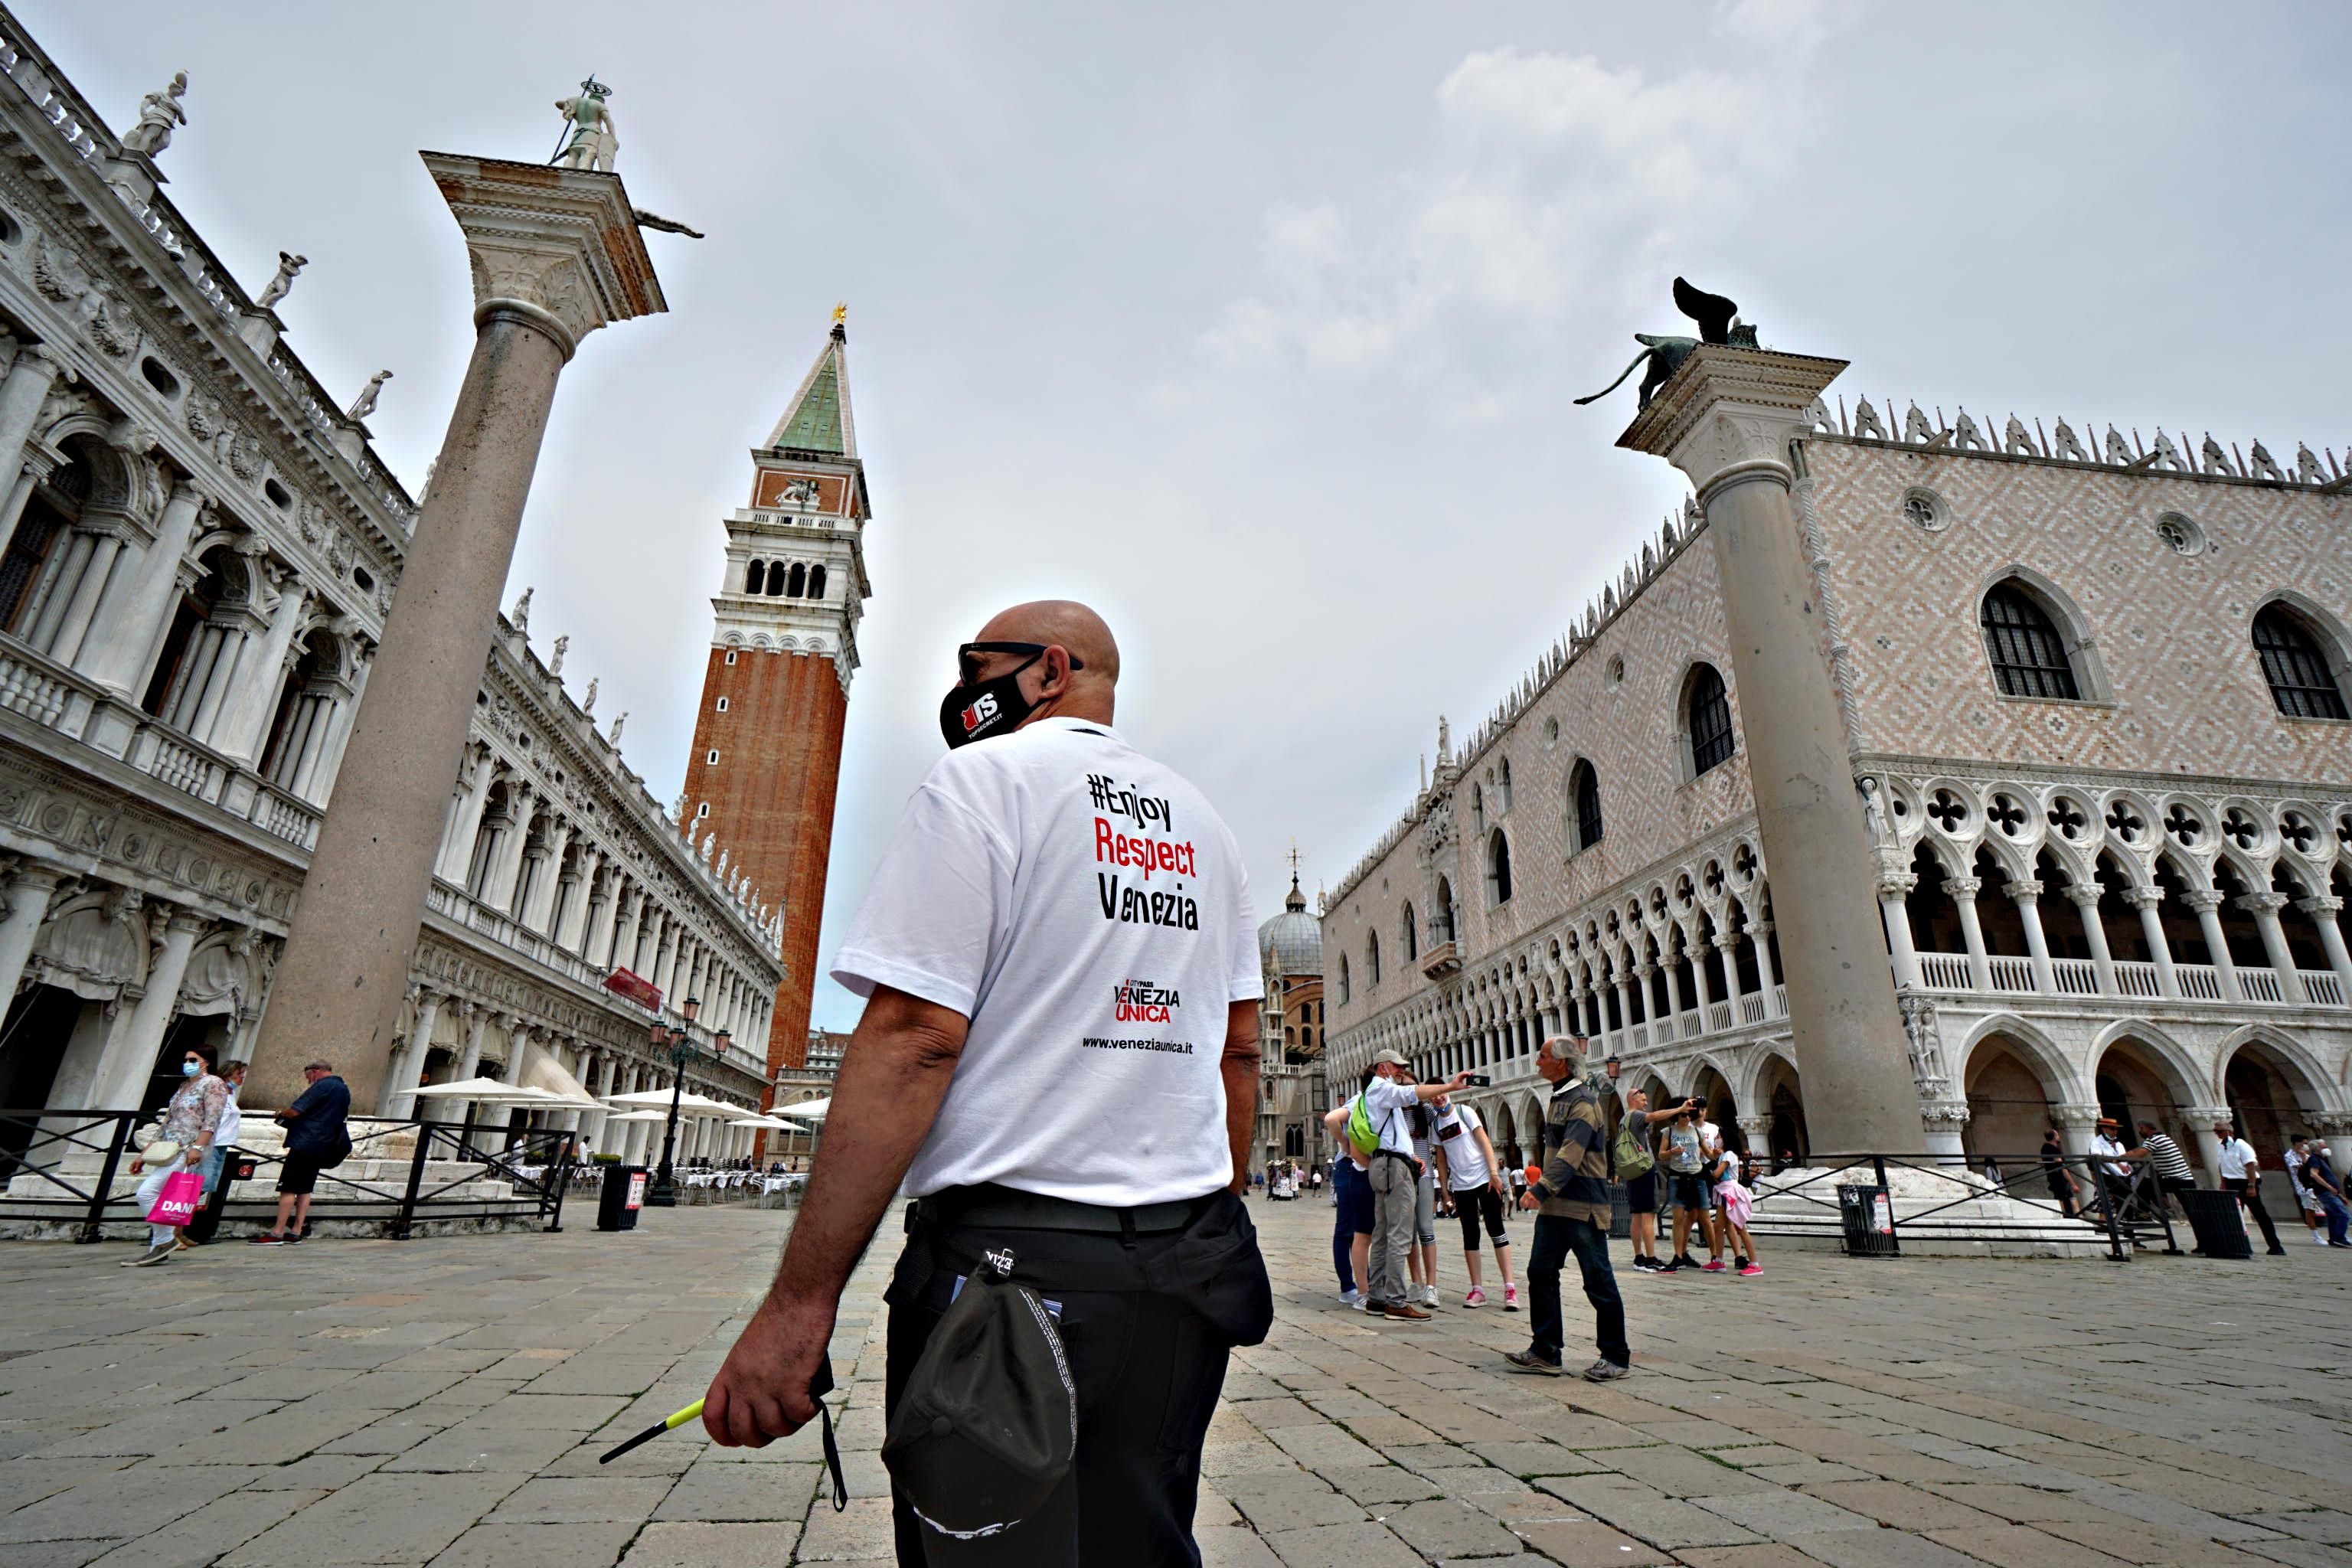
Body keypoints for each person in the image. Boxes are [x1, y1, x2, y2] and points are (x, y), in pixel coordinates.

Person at [698, 602, 1276, 1564]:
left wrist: (799, 1303)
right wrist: (1206, 1214)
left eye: (979, 667)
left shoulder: (986, 779)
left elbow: (917, 1033)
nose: (965, 691)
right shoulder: (1204, 825)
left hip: (1006, 1278)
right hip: (1177, 1279)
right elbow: (1241, 1051)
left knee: (983, 1548)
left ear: (1049, 670)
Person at [1504, 1037, 1628, 1381]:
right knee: (1540, 1272)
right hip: (1556, 1207)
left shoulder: (1584, 1102)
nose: (1537, 1061)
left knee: (1597, 1280)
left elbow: (1571, 1154)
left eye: (1543, 1056)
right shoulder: (1559, 1097)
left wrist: (1539, 1189)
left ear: (1561, 1062)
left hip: (1583, 1207)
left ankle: (1616, 1355)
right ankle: (1546, 1350)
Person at [1346, 1051, 1473, 1321]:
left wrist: (1410, 1155)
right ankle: (1396, 1301)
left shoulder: (1375, 1091)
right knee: (1400, 1233)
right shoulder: (1383, 1087)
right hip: (1394, 1169)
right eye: (1396, 1066)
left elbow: (1393, 1131)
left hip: (1384, 1164)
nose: (1401, 1071)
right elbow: (1413, 1093)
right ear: (1383, 1068)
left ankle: (1377, 1298)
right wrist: (1451, 1086)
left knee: (1381, 1234)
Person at [122, 1044, 227, 1267]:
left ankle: (165, 1240)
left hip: (187, 1147)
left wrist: (197, 1148)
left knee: (146, 1193)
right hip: (168, 1148)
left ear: (206, 1062)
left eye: (193, 1060)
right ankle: (159, 1246)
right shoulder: (184, 1086)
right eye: (186, 1060)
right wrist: (144, 1154)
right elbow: (167, 1122)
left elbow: (212, 1119)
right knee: (159, 1195)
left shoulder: (214, 1084)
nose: (188, 1064)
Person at [1431, 1092, 1517, 1311]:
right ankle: (1478, 1289)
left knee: (1496, 1229)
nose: (1438, 1099)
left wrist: (1494, 1173)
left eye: (1441, 1093)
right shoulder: (1435, 1124)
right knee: (1470, 1235)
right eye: (1433, 1096)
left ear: (1447, 1092)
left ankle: (1510, 1288)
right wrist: (1445, 1190)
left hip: (1484, 1179)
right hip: (1460, 1185)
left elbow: (1485, 1142)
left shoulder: (1464, 1112)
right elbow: (1441, 1159)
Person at [250, 1059, 349, 1246]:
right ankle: (296, 1231)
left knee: (288, 1187)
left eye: (308, 1077)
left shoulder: (322, 1086)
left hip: (305, 1142)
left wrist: (280, 1113)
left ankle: (277, 1232)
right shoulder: (343, 1089)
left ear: (315, 1072)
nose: (308, 1081)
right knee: (305, 1189)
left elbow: (295, 1111)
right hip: (323, 1143)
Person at [180, 1060, 246, 1250]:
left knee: (204, 1188)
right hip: (210, 1144)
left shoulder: (231, 1094)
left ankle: (183, 1229)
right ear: (227, 1073)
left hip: (222, 1145)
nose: (241, 1077)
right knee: (196, 1187)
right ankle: (174, 1229)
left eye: (242, 1074)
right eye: (238, 1073)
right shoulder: (217, 1091)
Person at [2213, 1120, 2284, 1256]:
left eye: (2220, 1131)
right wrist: (2223, 1182)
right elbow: (2221, 1165)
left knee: (2260, 1214)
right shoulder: (2220, 1146)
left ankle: (2275, 1246)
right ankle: (2236, 1244)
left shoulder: (2241, 1145)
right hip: (2231, 1182)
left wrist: (2251, 1186)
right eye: (2216, 1131)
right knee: (2232, 1216)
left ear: (2229, 1131)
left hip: (2246, 1182)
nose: (2217, 1134)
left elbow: (2250, 1166)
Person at [1658, 1104, 1710, 1273]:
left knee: (1701, 1216)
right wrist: (1673, 1151)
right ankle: (1678, 1256)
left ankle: (1715, 1257)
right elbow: (1661, 1154)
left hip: (1697, 1177)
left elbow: (1708, 1154)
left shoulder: (1696, 1132)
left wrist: (1716, 1152)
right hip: (1678, 1178)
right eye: (1684, 1116)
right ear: (1677, 1116)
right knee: (1678, 1218)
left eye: (1690, 1116)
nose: (1687, 1119)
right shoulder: (1669, 1132)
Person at [2124, 1119, 2196, 1214]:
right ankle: (2160, 1208)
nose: (2140, 1132)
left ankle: (2145, 1215)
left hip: (2177, 1180)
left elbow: (2138, 1155)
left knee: (2144, 1185)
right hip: (2184, 1180)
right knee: (2192, 1210)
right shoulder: (2164, 1138)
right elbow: (2139, 1151)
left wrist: (2120, 1158)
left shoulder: (2153, 1139)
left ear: (2148, 1128)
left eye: (2141, 1128)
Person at [2294, 1135, 2351, 1248]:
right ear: (2317, 1149)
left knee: (2333, 1216)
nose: (2327, 1148)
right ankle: (2340, 1238)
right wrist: (2329, 1187)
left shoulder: (2320, 1159)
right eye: (2324, 1146)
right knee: (2345, 1216)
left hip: (2328, 1192)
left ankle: (2334, 1238)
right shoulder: (2315, 1159)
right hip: (2325, 1192)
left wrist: (2339, 1194)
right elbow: (2313, 1174)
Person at [1713, 1142, 1761, 1276]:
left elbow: (1718, 1173)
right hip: (1724, 1191)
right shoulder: (1724, 1154)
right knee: (1718, 1226)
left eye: (1720, 1136)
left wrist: (1711, 1169)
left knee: (1740, 1228)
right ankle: (1718, 1260)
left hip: (1730, 1192)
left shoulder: (1728, 1154)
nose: (1718, 1139)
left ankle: (1754, 1264)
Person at [2088, 1117, 2134, 1225]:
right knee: (2108, 1204)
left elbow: (2125, 1158)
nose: (2115, 1131)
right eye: (2112, 1129)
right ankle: (2108, 1229)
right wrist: (2117, 1162)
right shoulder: (2096, 1142)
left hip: (2123, 1177)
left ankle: (2131, 1233)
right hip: (2108, 1176)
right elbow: (2097, 1157)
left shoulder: (2119, 1144)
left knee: (2127, 1204)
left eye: (2116, 1129)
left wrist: (2125, 1165)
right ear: (2104, 1129)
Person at [2284, 1135, 2328, 1246]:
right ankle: (2316, 1236)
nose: (2306, 1146)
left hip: (2315, 1186)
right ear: (2297, 1143)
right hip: (2303, 1187)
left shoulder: (2307, 1155)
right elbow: (2303, 1169)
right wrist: (2303, 1157)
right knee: (2310, 1211)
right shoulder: (2289, 1156)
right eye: (2304, 1143)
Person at [2039, 1127, 2081, 1218]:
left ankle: (2066, 1217)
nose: (2059, 1136)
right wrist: (2073, 1183)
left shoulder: (2045, 1148)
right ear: (2054, 1137)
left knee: (2061, 1197)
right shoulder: (2053, 1149)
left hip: (2053, 1177)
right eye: (2057, 1135)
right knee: (2066, 1199)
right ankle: (2070, 1218)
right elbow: (2062, 1167)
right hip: (2060, 1178)